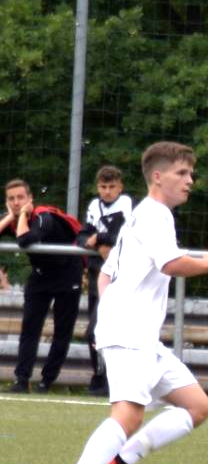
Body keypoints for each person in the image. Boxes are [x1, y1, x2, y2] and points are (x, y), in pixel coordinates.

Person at [48, 142, 208, 464]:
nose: (189, 181)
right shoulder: (154, 216)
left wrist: (115, 307)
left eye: (191, 174)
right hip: (130, 333)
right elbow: (173, 263)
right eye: (182, 173)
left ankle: (122, 462)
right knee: (127, 415)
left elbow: (106, 273)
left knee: (196, 406)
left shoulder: (140, 218)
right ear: (158, 177)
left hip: (138, 333)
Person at [1, 179, 84, 394]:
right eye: (11, 199)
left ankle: (46, 381)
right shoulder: (13, 218)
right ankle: (21, 380)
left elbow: (25, 240)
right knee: (30, 327)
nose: (16, 202)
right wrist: (11, 216)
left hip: (68, 274)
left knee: (62, 331)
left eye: (21, 197)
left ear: (30, 199)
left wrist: (22, 216)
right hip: (41, 276)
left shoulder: (43, 217)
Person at [77, 165, 134, 396]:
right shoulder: (93, 206)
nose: (107, 191)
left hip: (119, 277)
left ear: (120, 187)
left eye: (112, 187)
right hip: (96, 276)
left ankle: (108, 378)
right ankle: (100, 376)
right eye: (103, 187)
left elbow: (123, 236)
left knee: (102, 329)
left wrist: (99, 238)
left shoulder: (126, 205)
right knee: (95, 330)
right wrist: (93, 241)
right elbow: (82, 236)